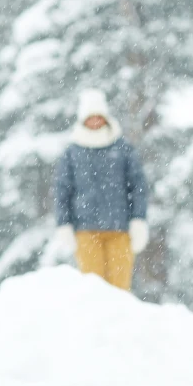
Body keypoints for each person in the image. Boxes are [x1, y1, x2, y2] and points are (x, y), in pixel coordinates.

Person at [51, 89, 150, 291]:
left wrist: (138, 219)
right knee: (93, 290)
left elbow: (138, 185)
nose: (95, 121)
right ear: (83, 120)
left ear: (105, 118)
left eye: (98, 117)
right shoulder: (72, 152)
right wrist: (64, 223)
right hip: (86, 231)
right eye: (90, 117)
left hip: (120, 230)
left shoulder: (122, 148)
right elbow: (62, 191)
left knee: (120, 289)